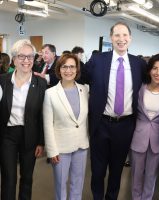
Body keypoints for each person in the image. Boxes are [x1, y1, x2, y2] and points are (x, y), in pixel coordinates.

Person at [82, 21, 147, 200]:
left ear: (130, 38)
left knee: (117, 170)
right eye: (117, 35)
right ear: (111, 38)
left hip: (125, 126)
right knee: (97, 170)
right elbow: (79, 77)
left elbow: (156, 81)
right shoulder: (97, 60)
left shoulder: (138, 64)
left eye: (124, 35)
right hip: (101, 123)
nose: (121, 39)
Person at [0, 39, 47, 200]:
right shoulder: (3, 81)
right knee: (8, 177)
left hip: (30, 136)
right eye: (21, 56)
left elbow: (42, 115)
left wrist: (41, 142)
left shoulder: (40, 83)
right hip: (8, 135)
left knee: (27, 178)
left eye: (30, 57)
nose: (26, 61)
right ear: (14, 59)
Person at [43, 53, 89, 200]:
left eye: (72, 67)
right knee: (60, 184)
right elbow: (48, 124)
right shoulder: (50, 93)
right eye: (64, 67)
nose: (68, 70)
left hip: (81, 146)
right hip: (60, 148)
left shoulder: (85, 90)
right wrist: (52, 150)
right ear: (59, 69)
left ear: (77, 69)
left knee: (78, 183)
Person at [130, 54, 159, 200]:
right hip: (138, 137)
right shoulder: (139, 89)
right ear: (149, 70)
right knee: (136, 174)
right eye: (155, 68)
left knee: (151, 175)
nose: (158, 72)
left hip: (158, 140)